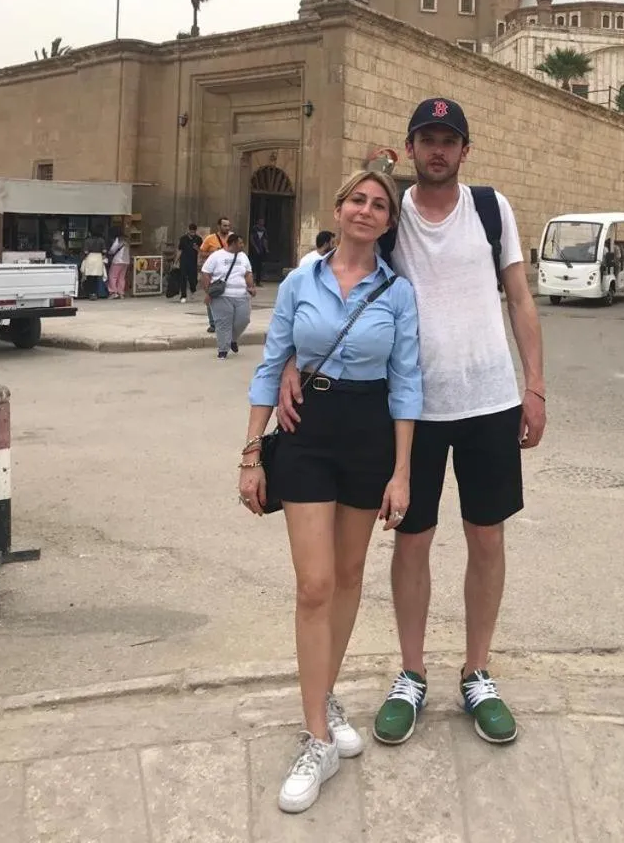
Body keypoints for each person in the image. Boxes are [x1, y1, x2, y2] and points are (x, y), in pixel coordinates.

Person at [278, 97, 546, 753]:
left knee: (486, 540)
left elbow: (519, 296)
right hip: (411, 410)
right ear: (412, 146)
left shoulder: (492, 209)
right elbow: (331, 279)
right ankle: (412, 672)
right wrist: (291, 359)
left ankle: (478, 671)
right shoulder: (391, 220)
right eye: (425, 139)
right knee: (413, 542)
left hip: (488, 399)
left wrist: (533, 386)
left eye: (447, 139)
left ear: (464, 150)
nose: (436, 149)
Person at [241, 170, 421, 814]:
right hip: (308, 432)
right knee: (313, 584)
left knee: (348, 578)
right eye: (357, 201)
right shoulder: (298, 281)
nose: (367, 211)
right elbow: (272, 362)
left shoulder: (398, 292)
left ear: (388, 221)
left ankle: (326, 693)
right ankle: (315, 735)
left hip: (370, 436)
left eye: (379, 205)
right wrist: (252, 450)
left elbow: (407, 383)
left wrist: (401, 472)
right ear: (338, 207)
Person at [201, 232, 256, 359]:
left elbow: (248, 273)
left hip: (242, 295)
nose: (243, 245)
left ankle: (232, 339)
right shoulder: (217, 256)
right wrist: (208, 291)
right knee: (223, 323)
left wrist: (251, 287)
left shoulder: (243, 257)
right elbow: (205, 273)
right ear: (233, 243)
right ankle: (223, 349)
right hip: (222, 295)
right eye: (240, 243)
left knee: (243, 320)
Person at [198, 216, 231, 333]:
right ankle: (213, 324)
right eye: (224, 225)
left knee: (228, 298)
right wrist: (212, 253)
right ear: (219, 226)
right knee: (211, 296)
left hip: (228, 273)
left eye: (228, 225)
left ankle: (225, 323)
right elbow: (201, 253)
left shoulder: (232, 238)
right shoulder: (210, 239)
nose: (227, 228)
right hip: (213, 273)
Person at [177, 223, 202, 303]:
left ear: (195, 231)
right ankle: (183, 296)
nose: (192, 233)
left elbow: (201, 251)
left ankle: (193, 289)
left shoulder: (198, 239)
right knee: (183, 278)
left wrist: (197, 248)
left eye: (193, 232)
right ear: (188, 231)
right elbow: (180, 250)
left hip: (193, 261)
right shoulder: (183, 239)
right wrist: (176, 260)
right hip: (184, 261)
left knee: (193, 279)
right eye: (191, 232)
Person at [80, 230, 107, 300]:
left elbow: (85, 251)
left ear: (90, 233)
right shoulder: (102, 240)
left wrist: (83, 258)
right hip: (98, 258)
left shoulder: (87, 241)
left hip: (90, 258)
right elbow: (104, 251)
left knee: (89, 277)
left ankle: (90, 293)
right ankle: (95, 293)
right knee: (96, 277)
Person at [106, 230, 131, 299]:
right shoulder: (127, 241)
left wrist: (109, 253)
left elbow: (113, 250)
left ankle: (113, 292)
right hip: (126, 261)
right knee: (121, 277)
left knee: (112, 276)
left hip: (117, 260)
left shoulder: (118, 240)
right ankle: (121, 293)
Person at [249, 218, 269, 286]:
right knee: (253, 265)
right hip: (254, 250)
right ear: (258, 222)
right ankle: (251, 280)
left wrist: (266, 248)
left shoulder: (264, 229)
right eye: (261, 221)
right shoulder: (254, 228)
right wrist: (255, 248)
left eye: (263, 221)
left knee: (259, 266)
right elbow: (251, 238)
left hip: (261, 250)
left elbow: (265, 240)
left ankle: (258, 281)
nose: (262, 222)